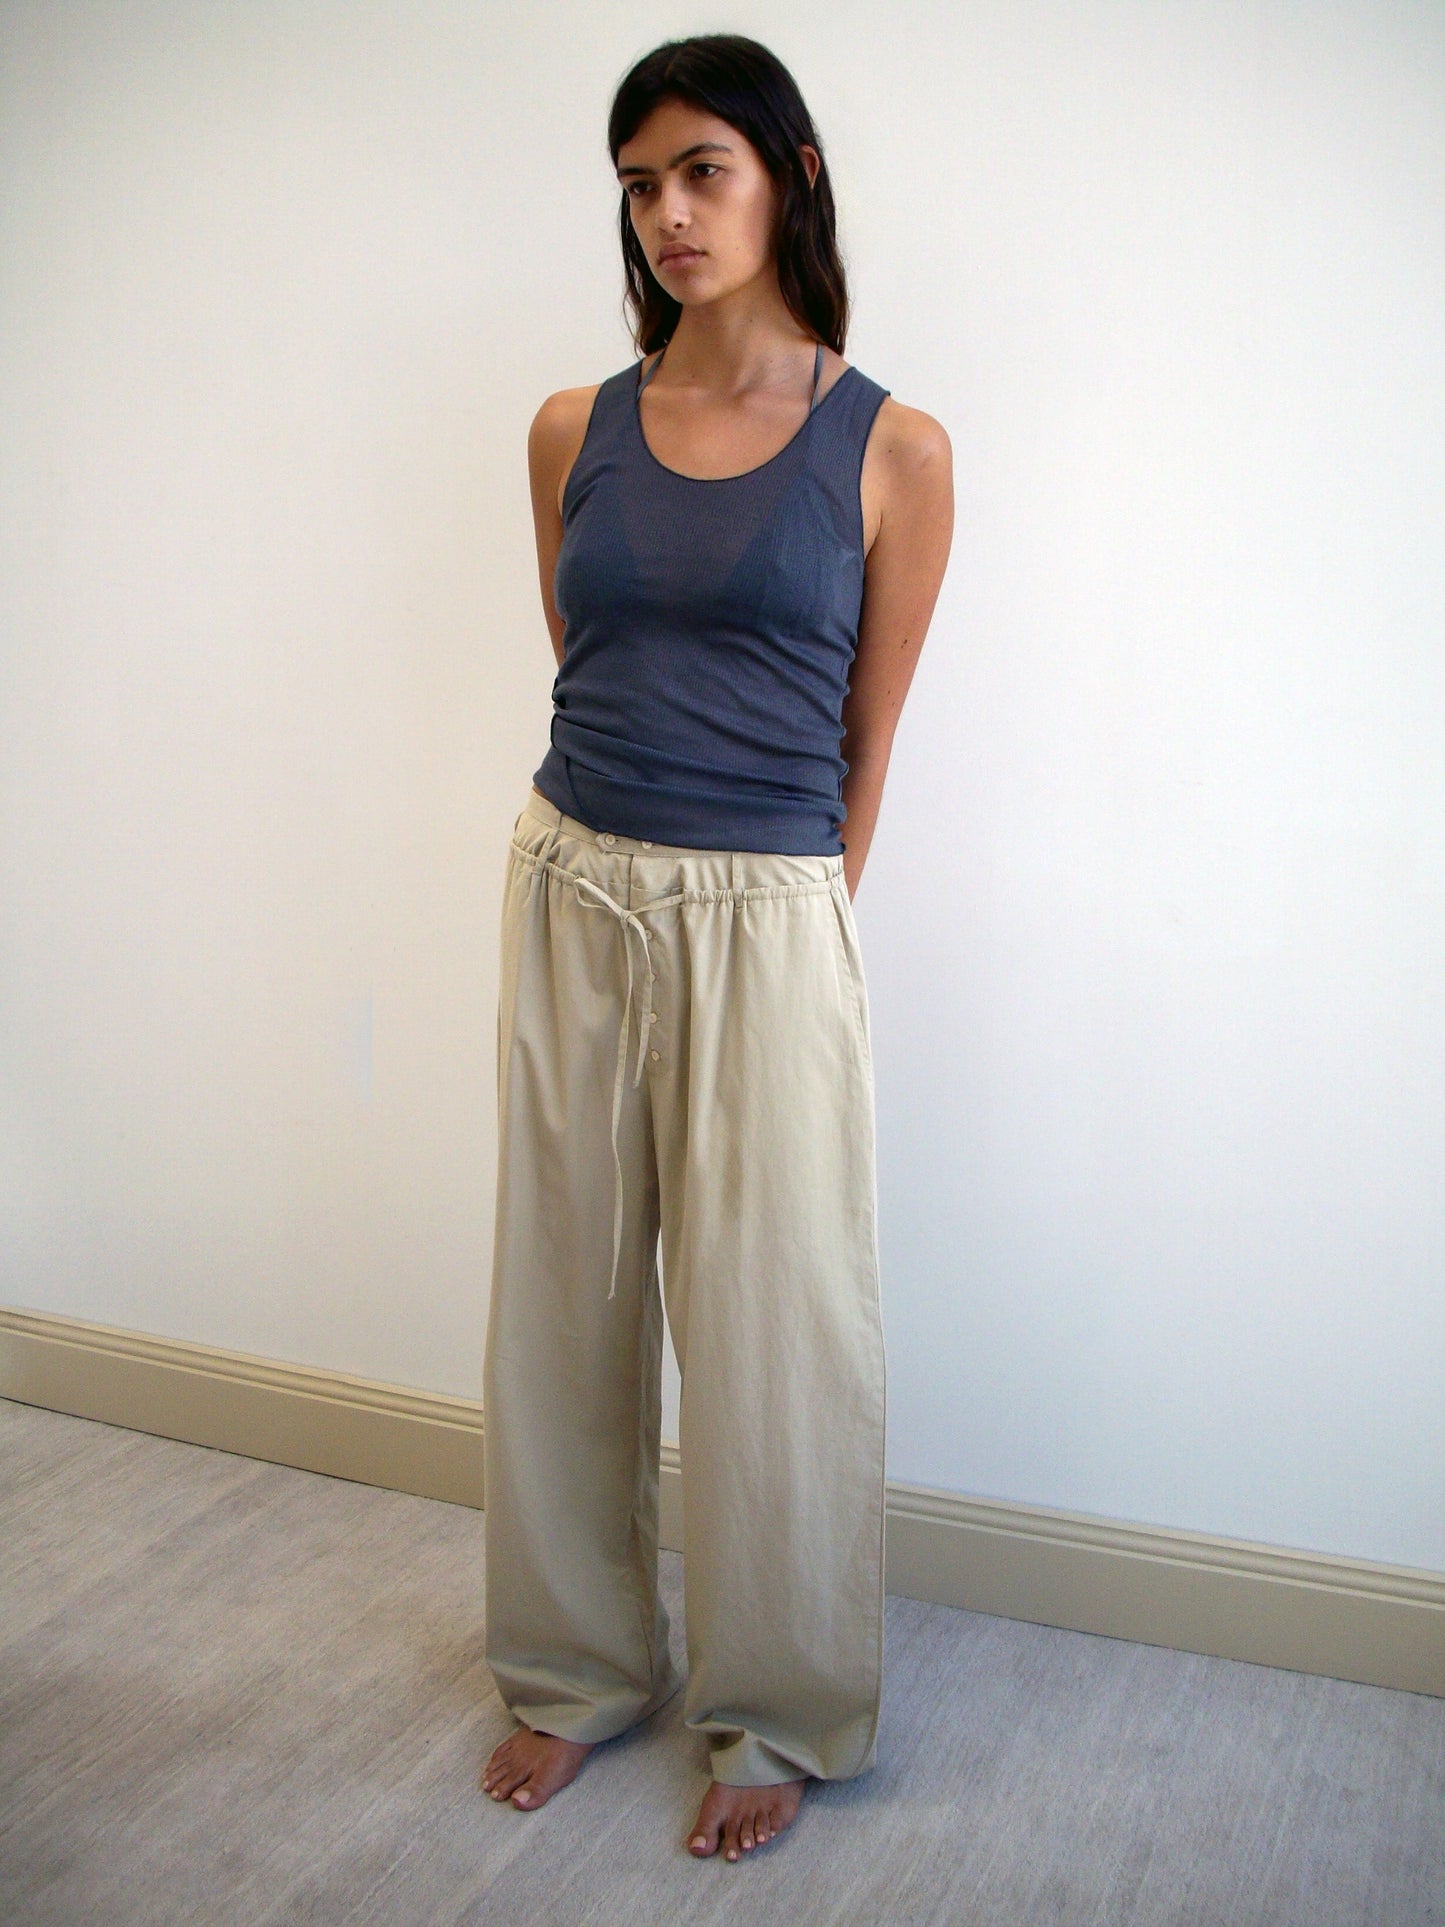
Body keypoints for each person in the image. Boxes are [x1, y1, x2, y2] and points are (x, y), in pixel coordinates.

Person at [479, 33, 953, 1865]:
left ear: (790, 177)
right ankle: (574, 1667)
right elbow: (587, 657)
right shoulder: (568, 429)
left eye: (701, 171)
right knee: (565, 1301)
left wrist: (780, 922)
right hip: (571, 882)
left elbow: (866, 750)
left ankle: (776, 1703)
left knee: (776, 1327)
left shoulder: (892, 447)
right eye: (638, 183)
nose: (667, 212)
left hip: (765, 911)